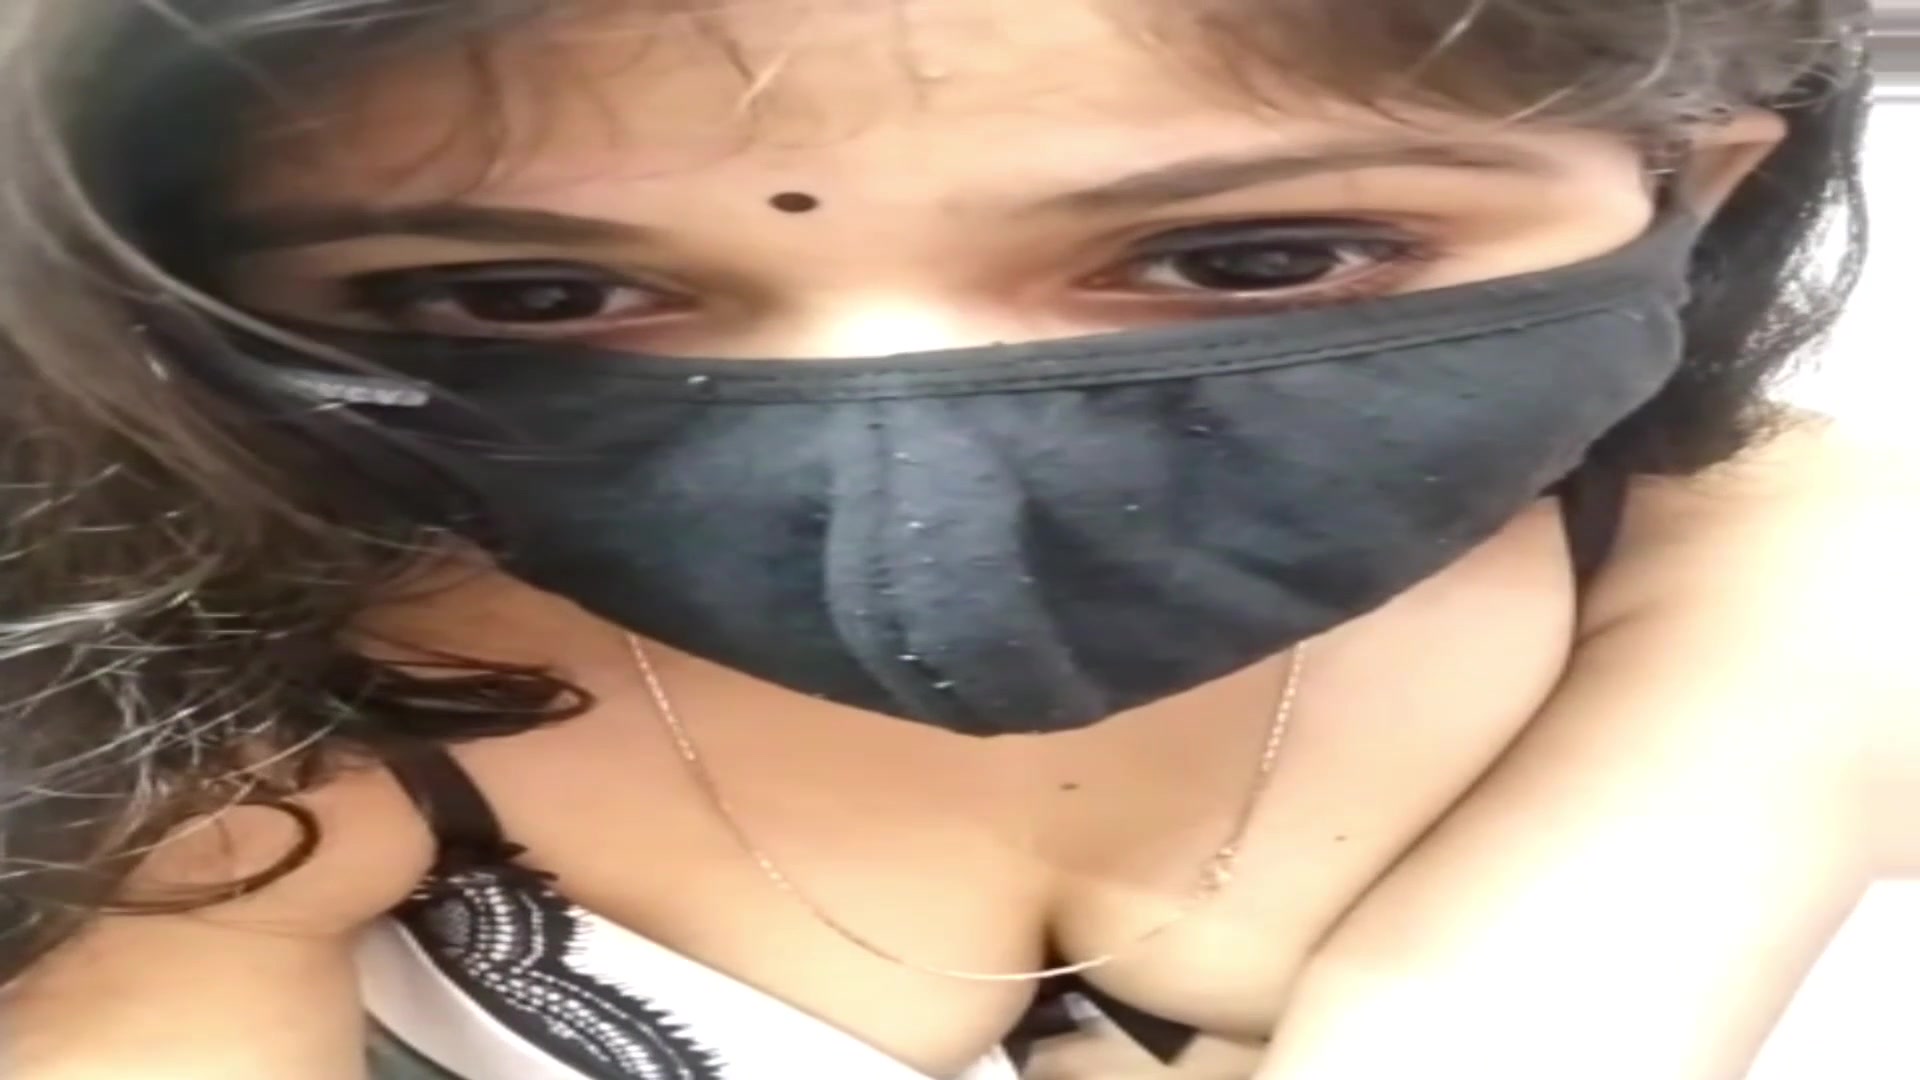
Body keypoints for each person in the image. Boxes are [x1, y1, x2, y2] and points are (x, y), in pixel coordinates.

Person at [1, 0, 1914, 1077]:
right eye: (529, 298)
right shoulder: (196, 691)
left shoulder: (1776, 563)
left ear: (1699, 183)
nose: (918, 490)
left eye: (1252, 257)